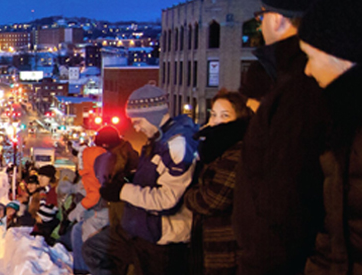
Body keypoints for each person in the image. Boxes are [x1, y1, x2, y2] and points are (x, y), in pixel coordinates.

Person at [231, 0, 330, 273]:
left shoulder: (295, 89)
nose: (260, 25)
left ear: (278, 20)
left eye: (262, 16)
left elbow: (285, 197)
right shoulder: (290, 80)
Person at [84, 84, 199, 275]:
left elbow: (167, 199)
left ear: (152, 115)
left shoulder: (177, 145)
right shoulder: (158, 141)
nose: (136, 128)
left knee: (95, 250)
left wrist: (122, 190)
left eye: (138, 121)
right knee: (94, 249)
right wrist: (128, 180)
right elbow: (151, 180)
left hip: (162, 239)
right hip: (144, 230)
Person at [296, 1, 362, 272]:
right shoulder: (339, 120)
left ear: (341, 54)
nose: (307, 70)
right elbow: (336, 230)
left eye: (310, 56)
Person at [183, 91, 252, 275]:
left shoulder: (237, 153)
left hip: (227, 247)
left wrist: (190, 195)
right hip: (211, 244)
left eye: (225, 115)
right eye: (213, 114)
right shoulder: (215, 150)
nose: (216, 122)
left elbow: (212, 200)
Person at [67, 146, 108, 274]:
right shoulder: (96, 175)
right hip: (98, 213)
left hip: (98, 215)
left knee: (83, 234)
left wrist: (78, 210)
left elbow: (93, 196)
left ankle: (83, 270)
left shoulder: (92, 176)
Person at [92, 125, 140, 229]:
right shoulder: (128, 151)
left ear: (106, 144)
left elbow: (105, 179)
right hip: (122, 200)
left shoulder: (113, 158)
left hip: (121, 201)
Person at [30, 165, 59, 245]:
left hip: (49, 230)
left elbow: (46, 215)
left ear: (50, 177)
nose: (39, 178)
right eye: (39, 176)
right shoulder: (44, 191)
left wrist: (37, 215)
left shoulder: (53, 192)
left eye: (42, 176)